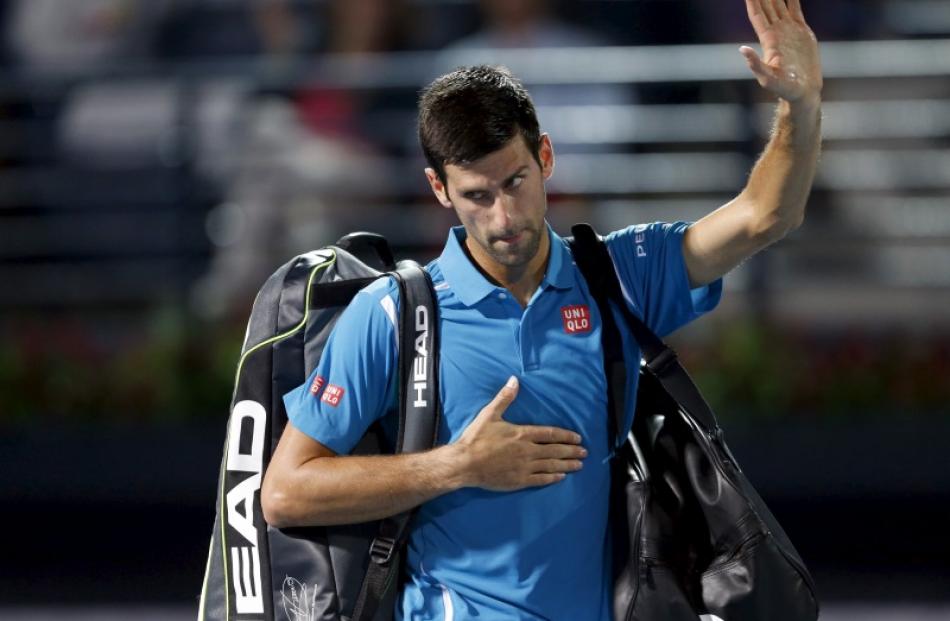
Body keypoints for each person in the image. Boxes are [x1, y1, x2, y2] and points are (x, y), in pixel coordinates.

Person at [261, 1, 822, 619]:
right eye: (476, 196)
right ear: (438, 190)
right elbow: (287, 492)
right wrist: (457, 466)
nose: (503, 218)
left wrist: (801, 102)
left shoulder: (619, 275)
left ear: (546, 158)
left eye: (516, 183)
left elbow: (766, 214)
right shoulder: (390, 315)